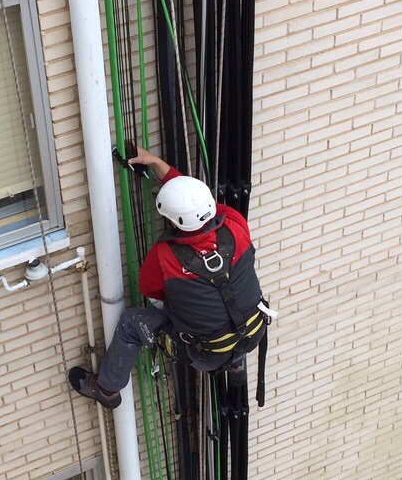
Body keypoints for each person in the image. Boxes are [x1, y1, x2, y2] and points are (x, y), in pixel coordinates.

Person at [68, 146, 269, 409]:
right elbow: (192, 203)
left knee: (131, 323)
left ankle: (107, 389)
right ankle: (235, 362)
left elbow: (148, 290)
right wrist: (153, 162)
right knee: (226, 296)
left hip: (204, 353)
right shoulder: (233, 222)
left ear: (172, 222)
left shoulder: (165, 256)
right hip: (253, 332)